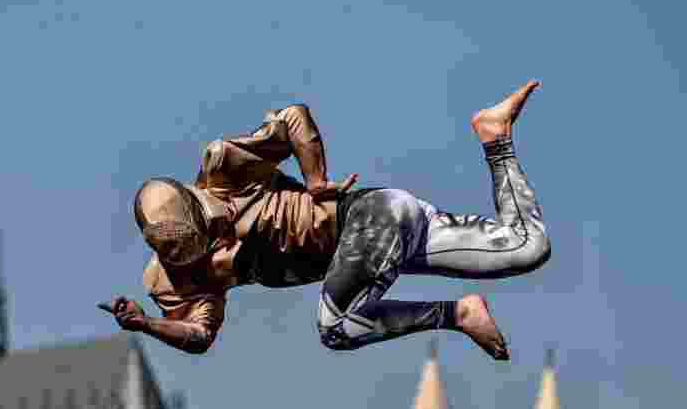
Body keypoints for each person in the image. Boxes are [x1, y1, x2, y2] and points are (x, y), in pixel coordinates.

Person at [103, 80, 549, 360]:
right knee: (526, 247)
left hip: (368, 221)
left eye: (214, 228)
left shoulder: (224, 167)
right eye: (207, 245)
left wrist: (314, 181)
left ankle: (457, 315)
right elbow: (199, 335)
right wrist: (147, 325)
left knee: (335, 327)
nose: (220, 240)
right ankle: (496, 137)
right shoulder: (173, 279)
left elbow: (294, 118)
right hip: (384, 236)